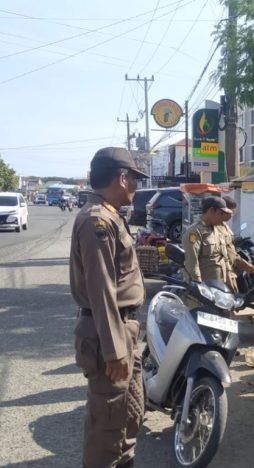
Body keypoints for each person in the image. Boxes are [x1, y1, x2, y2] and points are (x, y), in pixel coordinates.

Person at [69, 147, 148, 468]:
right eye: (135, 180)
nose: (137, 188)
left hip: (123, 330)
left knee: (128, 415)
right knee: (107, 428)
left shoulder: (110, 214)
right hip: (110, 337)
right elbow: (101, 289)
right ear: (121, 177)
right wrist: (115, 350)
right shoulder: (97, 221)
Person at [181, 197, 232, 286]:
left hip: (220, 286)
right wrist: (199, 286)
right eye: (221, 213)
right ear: (211, 211)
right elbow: (192, 263)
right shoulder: (194, 232)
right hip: (206, 288)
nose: (223, 217)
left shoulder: (217, 229)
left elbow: (223, 257)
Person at [217, 197, 254, 293]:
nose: (231, 215)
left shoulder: (224, 226)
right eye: (230, 212)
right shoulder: (213, 228)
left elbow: (231, 251)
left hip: (228, 271)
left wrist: (245, 265)